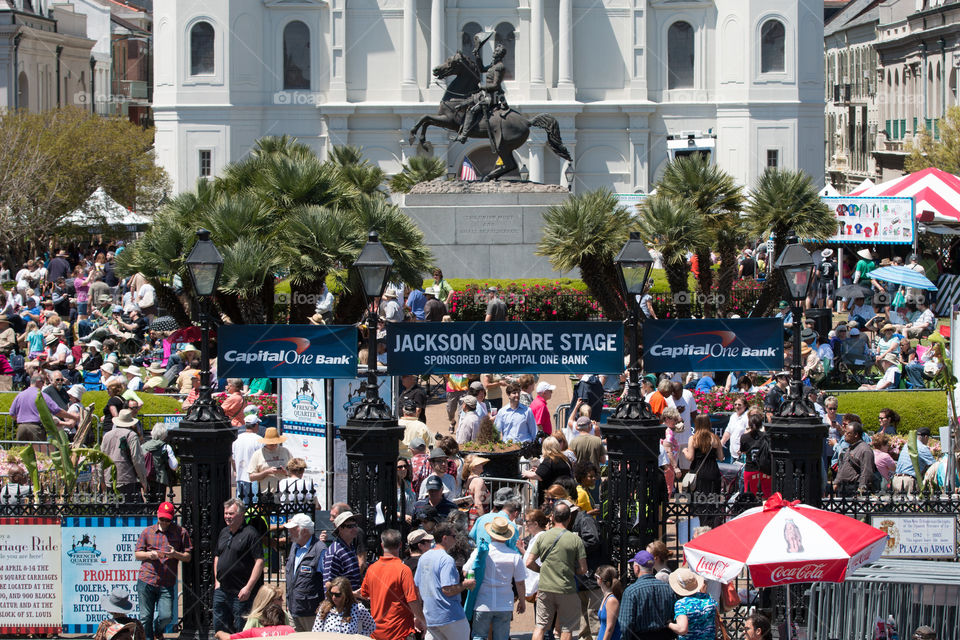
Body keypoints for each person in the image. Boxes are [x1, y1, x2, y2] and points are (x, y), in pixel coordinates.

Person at [527, 502, 588, 640]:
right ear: (569, 518)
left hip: (544, 588)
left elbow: (529, 562)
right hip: (566, 588)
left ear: (553, 517)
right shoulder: (575, 539)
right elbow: (583, 569)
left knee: (540, 626)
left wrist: (542, 570)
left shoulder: (542, 537)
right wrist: (571, 570)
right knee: (567, 627)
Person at [134, 502, 193, 640]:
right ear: (157, 516)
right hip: (146, 579)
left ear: (172, 518)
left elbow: (188, 556)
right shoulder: (148, 531)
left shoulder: (181, 532)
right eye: (162, 519)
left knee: (166, 617)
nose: (165, 522)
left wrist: (174, 554)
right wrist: (150, 554)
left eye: (168, 520)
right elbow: (137, 554)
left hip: (166, 582)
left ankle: (157, 630)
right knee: (145, 617)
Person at [463, 517, 526, 640]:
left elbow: (465, 571)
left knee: (479, 636)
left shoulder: (479, 552)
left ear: (490, 533)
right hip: (505, 603)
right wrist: (522, 601)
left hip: (483, 601)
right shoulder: (514, 556)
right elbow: (520, 582)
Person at [415, 522, 475, 640]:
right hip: (450, 616)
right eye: (454, 536)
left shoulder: (423, 558)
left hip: (431, 616)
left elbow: (416, 587)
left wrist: (418, 615)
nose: (456, 539)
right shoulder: (446, 559)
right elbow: (447, 589)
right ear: (445, 538)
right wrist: (465, 584)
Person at [361, 529, 425, 640]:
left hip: (377, 633)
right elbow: (412, 600)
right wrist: (423, 621)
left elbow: (365, 594)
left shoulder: (371, 569)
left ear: (382, 545)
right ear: (400, 545)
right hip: (400, 633)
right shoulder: (404, 570)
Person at [214, 499, 265, 633]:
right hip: (222, 590)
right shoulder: (224, 532)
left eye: (231, 513)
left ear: (241, 514)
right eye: (226, 513)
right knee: (219, 628)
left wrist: (248, 588)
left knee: (241, 630)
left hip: (241, 593)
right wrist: (216, 582)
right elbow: (217, 556)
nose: (227, 516)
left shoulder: (251, 534)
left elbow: (259, 561)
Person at [617, 550, 676, 640]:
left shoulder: (631, 592)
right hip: (664, 636)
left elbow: (625, 625)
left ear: (637, 568)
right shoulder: (667, 588)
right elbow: (674, 616)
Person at [281, 513, 326, 631]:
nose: (289, 531)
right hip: (293, 609)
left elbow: (327, 581)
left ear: (304, 531)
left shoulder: (319, 549)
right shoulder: (294, 546)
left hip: (311, 612)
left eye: (293, 529)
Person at [9, 373, 76, 440]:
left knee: (20, 450)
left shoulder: (20, 395)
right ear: (38, 382)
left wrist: (24, 419)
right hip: (36, 428)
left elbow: (12, 413)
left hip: (21, 428)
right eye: (43, 382)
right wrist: (73, 417)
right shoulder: (41, 395)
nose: (43, 385)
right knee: (39, 450)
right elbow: (57, 411)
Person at [102, 409, 149, 503]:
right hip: (127, 479)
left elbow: (101, 458)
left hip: (109, 479)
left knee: (113, 512)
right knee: (130, 512)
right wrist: (144, 481)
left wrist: (102, 480)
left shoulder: (107, 435)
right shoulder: (131, 435)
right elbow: (137, 459)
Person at [667, 568, 716, 640]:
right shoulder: (708, 599)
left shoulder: (682, 604)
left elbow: (682, 629)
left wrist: (669, 624)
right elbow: (715, 623)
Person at [681, 415, 723, 496]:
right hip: (712, 470)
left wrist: (685, 451)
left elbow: (690, 457)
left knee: (697, 499)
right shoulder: (715, 438)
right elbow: (721, 457)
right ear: (708, 423)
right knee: (712, 498)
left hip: (698, 471)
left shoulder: (693, 439)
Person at [323, 511, 363, 593]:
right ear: (340, 529)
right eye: (350, 526)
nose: (355, 529)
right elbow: (328, 585)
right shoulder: (334, 552)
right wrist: (352, 594)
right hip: (341, 604)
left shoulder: (350, 547)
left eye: (355, 525)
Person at [833, 422, 876, 496]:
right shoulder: (850, 448)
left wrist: (861, 489)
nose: (845, 435)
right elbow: (843, 467)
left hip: (854, 488)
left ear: (856, 435)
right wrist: (836, 482)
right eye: (845, 432)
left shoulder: (865, 450)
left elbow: (866, 472)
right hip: (843, 487)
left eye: (848, 433)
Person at [247, 427, 292, 492]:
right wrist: (267, 472)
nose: (273, 445)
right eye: (271, 444)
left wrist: (286, 472)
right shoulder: (258, 454)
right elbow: (251, 477)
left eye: (276, 443)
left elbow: (294, 471)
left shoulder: (285, 451)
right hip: (266, 493)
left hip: (284, 492)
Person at [142, 424, 179, 502]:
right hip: (160, 479)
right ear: (164, 435)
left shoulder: (143, 446)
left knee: (149, 503)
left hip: (146, 478)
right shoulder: (166, 447)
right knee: (159, 504)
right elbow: (174, 466)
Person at [216, 603, 294, 639]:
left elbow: (228, 638)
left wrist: (219, 633)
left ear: (264, 618)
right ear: (283, 618)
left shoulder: (254, 632)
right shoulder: (289, 630)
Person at [893, 427, 936, 493]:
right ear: (926, 437)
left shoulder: (907, 445)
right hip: (909, 481)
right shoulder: (923, 448)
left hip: (896, 479)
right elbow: (934, 466)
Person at [739, 413, 772, 497]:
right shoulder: (765, 437)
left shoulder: (744, 437)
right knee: (766, 496)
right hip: (764, 470)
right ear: (760, 424)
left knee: (750, 496)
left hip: (750, 469)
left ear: (749, 424)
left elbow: (743, 451)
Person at [233, 414, 264, 502]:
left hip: (240, 476)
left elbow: (232, 458)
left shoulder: (237, 439)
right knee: (255, 505)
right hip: (254, 477)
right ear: (256, 425)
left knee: (241, 505)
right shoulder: (259, 440)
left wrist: (235, 470)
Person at [595, 566, 622, 640]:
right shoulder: (606, 597)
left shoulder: (611, 600)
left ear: (600, 580)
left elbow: (610, 628)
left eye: (595, 577)